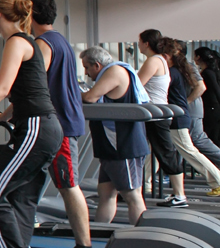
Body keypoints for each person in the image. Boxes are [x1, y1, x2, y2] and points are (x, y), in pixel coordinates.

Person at [0, 0, 64, 248]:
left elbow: (2, 88)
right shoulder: (26, 41)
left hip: (36, 127)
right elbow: (27, 89)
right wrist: (3, 115)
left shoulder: (15, 42)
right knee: (20, 199)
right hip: (44, 126)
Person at [28, 0, 94, 248]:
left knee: (69, 185)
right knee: (59, 182)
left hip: (60, 126)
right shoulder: (60, 41)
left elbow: (34, 84)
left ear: (30, 14)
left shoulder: (43, 43)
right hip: (61, 122)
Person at [79, 47, 149, 225]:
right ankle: (98, 233)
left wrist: (70, 94)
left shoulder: (115, 71)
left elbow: (90, 98)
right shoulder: (111, 72)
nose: (86, 73)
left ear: (97, 65)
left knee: (132, 195)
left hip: (121, 145)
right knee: (106, 193)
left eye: (87, 68)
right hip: (110, 147)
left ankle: (144, 235)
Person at [158, 38, 220, 196]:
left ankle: (216, 179)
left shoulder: (187, 66)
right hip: (184, 111)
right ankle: (157, 179)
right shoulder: (177, 67)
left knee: (194, 143)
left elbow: (201, 87)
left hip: (189, 111)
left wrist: (185, 103)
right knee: (176, 145)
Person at [138, 29, 189, 206]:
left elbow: (137, 85)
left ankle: (179, 195)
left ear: (146, 43)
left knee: (165, 153)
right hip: (155, 113)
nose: (138, 45)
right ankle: (134, 190)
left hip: (155, 114)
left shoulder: (153, 61)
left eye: (139, 41)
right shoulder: (160, 60)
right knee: (157, 152)